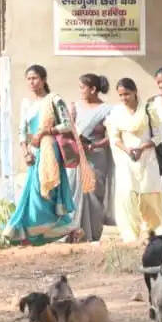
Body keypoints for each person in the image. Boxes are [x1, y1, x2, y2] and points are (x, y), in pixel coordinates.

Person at [3, 64, 76, 245]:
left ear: (43, 80)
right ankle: (33, 233)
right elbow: (22, 131)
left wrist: (46, 131)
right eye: (28, 79)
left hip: (51, 150)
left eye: (35, 78)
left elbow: (67, 125)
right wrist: (25, 152)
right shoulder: (27, 104)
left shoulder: (53, 99)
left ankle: (54, 231)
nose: (31, 82)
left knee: (49, 192)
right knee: (34, 191)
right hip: (35, 153)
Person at [60, 73, 114, 243]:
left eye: (83, 87)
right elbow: (66, 129)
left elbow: (112, 135)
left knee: (93, 192)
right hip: (77, 156)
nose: (80, 91)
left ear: (93, 89)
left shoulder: (107, 110)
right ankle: (72, 231)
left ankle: (92, 233)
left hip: (96, 156)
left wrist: (93, 146)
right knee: (73, 189)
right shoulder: (74, 106)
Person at [108, 77, 162, 242]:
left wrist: (142, 148)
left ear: (135, 92)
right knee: (126, 196)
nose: (124, 98)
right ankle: (130, 236)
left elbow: (159, 136)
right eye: (121, 95)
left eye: (127, 94)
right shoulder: (117, 112)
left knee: (149, 196)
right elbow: (114, 137)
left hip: (147, 159)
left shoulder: (148, 110)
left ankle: (152, 233)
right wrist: (128, 150)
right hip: (127, 160)